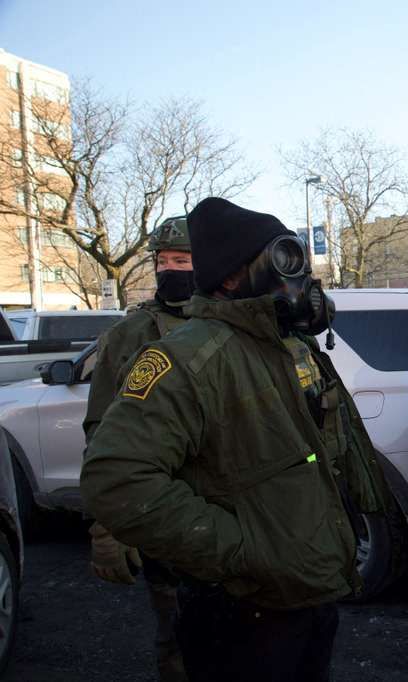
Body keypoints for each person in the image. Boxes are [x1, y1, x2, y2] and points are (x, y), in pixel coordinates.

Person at [82, 197, 389, 682]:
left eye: (297, 262)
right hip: (242, 607)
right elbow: (116, 480)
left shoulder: (285, 346)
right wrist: (242, 551)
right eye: (280, 261)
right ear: (230, 278)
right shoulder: (185, 358)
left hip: (307, 591)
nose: (296, 279)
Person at [82, 215, 194, 682]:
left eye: (182, 261)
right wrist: (108, 523)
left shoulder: (235, 325)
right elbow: (102, 435)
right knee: (180, 639)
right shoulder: (129, 336)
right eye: (162, 261)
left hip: (238, 515)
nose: (169, 270)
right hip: (165, 515)